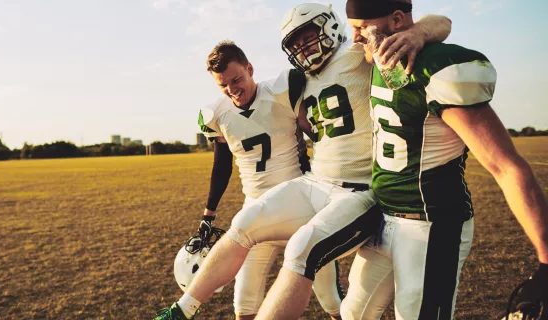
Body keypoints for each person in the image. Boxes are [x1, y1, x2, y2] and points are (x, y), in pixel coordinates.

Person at [152, 3, 453, 320]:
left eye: (308, 38)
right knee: (244, 223)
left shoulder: (357, 51)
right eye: (295, 45)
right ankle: (181, 311)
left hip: (360, 190)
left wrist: (418, 31)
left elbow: (442, 22)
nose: (304, 49)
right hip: (316, 183)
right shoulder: (295, 79)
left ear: (330, 27)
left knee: (301, 250)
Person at [329, 0, 548, 318]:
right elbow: (440, 20)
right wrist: (421, 30)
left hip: (431, 225)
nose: (356, 38)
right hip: (385, 219)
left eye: (362, 28)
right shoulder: (378, 55)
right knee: (354, 313)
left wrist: (545, 260)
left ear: (397, 20)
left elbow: (505, 165)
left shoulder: (435, 66)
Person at [193, 40, 342, 320]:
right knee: (244, 307)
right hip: (256, 212)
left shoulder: (283, 90)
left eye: (236, 79)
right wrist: (209, 212)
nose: (232, 89)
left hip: (302, 207)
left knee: (333, 302)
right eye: (223, 85)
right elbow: (222, 165)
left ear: (250, 68)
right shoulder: (217, 114)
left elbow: (319, 136)